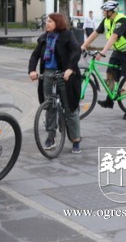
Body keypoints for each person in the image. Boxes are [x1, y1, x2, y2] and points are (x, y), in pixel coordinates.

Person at [28, 13, 82, 154]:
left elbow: (76, 50)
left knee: (70, 108)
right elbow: (35, 55)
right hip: (48, 74)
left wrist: (70, 69)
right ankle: (51, 137)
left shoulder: (67, 35)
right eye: (46, 21)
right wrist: (32, 70)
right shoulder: (44, 38)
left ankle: (75, 139)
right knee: (50, 107)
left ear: (58, 23)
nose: (47, 23)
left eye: (50, 21)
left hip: (64, 75)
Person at [81, 0, 126, 120]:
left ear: (111, 11)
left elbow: (114, 37)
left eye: (105, 10)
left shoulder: (121, 20)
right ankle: (109, 100)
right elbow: (95, 33)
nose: (103, 12)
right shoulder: (106, 20)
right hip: (118, 51)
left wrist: (103, 52)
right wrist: (84, 45)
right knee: (110, 74)